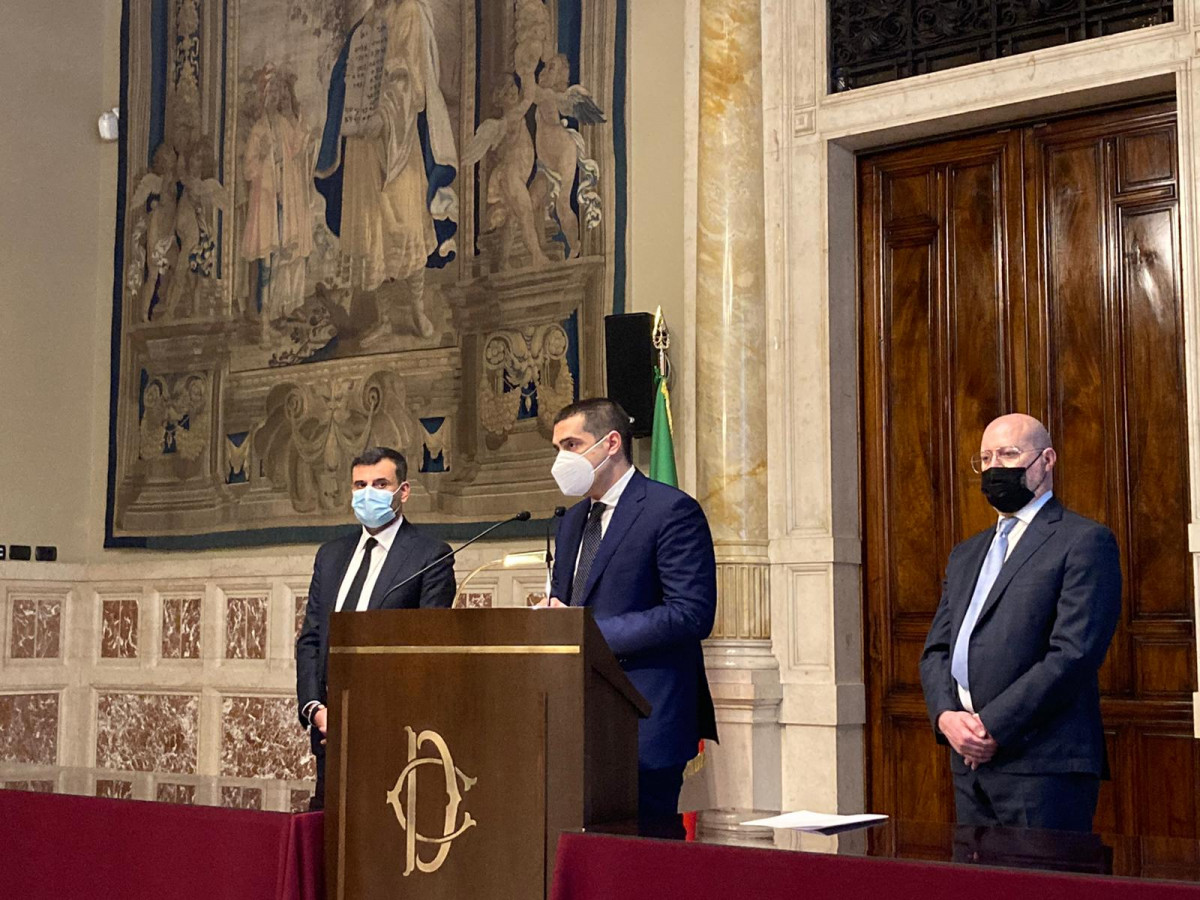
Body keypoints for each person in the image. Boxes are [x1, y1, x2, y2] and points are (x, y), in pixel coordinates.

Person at [919, 413, 1121, 831]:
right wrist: (946, 718)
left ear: (1046, 460)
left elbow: (1074, 654)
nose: (995, 467)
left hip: (1043, 767)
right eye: (986, 458)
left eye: (1009, 454)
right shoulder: (966, 554)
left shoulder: (1084, 541)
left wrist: (991, 727)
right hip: (968, 764)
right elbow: (937, 650)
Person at [538, 398, 718, 819]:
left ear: (611, 443)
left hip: (645, 715)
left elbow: (690, 613)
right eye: (557, 448)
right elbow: (571, 603)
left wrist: (587, 631)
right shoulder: (572, 520)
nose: (562, 460)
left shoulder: (669, 510)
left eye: (571, 445)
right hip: (581, 719)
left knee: (647, 848)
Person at [295, 446, 456, 809]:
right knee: (329, 828)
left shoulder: (430, 555)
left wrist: (366, 717)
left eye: (380, 484)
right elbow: (311, 639)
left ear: (404, 491)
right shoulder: (331, 555)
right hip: (330, 733)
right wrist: (316, 710)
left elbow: (427, 651)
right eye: (360, 485)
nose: (368, 494)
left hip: (392, 735)